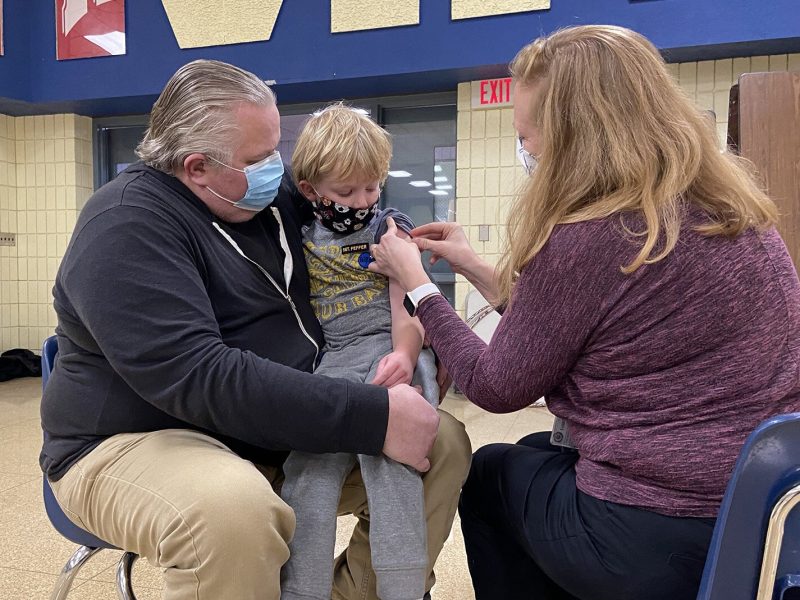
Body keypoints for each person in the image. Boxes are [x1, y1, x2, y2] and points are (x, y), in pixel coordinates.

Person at [368, 24, 800, 600]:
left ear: (576, 137)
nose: (528, 155)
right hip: (764, 505)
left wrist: (418, 284)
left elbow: (496, 387)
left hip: (661, 526)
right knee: (533, 454)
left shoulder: (593, 233)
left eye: (529, 139)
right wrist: (471, 264)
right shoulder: (733, 210)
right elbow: (589, 322)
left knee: (493, 473)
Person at [39, 59, 471, 600]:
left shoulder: (261, 201)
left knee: (442, 441)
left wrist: (423, 313)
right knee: (230, 511)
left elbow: (358, 222)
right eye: (259, 157)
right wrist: (371, 414)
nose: (278, 169)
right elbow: (199, 377)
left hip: (264, 428)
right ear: (197, 167)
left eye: (276, 150)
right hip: (133, 439)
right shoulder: (125, 225)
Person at [279, 103, 439, 600]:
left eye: (372, 187)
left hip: (392, 346)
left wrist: (407, 356)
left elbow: (408, 304)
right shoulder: (303, 236)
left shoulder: (389, 227)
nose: (363, 199)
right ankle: (301, 589)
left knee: (391, 462)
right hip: (335, 358)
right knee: (309, 464)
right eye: (346, 192)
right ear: (312, 192)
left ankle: (402, 588)